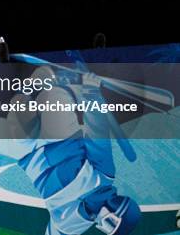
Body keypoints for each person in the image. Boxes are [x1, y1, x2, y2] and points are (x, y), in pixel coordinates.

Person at [8, 66, 141, 235]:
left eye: (104, 229)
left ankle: (28, 90)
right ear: (117, 209)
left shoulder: (70, 227)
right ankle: (62, 84)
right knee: (52, 98)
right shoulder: (104, 176)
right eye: (109, 223)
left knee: (17, 115)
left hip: (29, 156)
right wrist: (91, 93)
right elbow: (97, 132)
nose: (99, 223)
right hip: (60, 138)